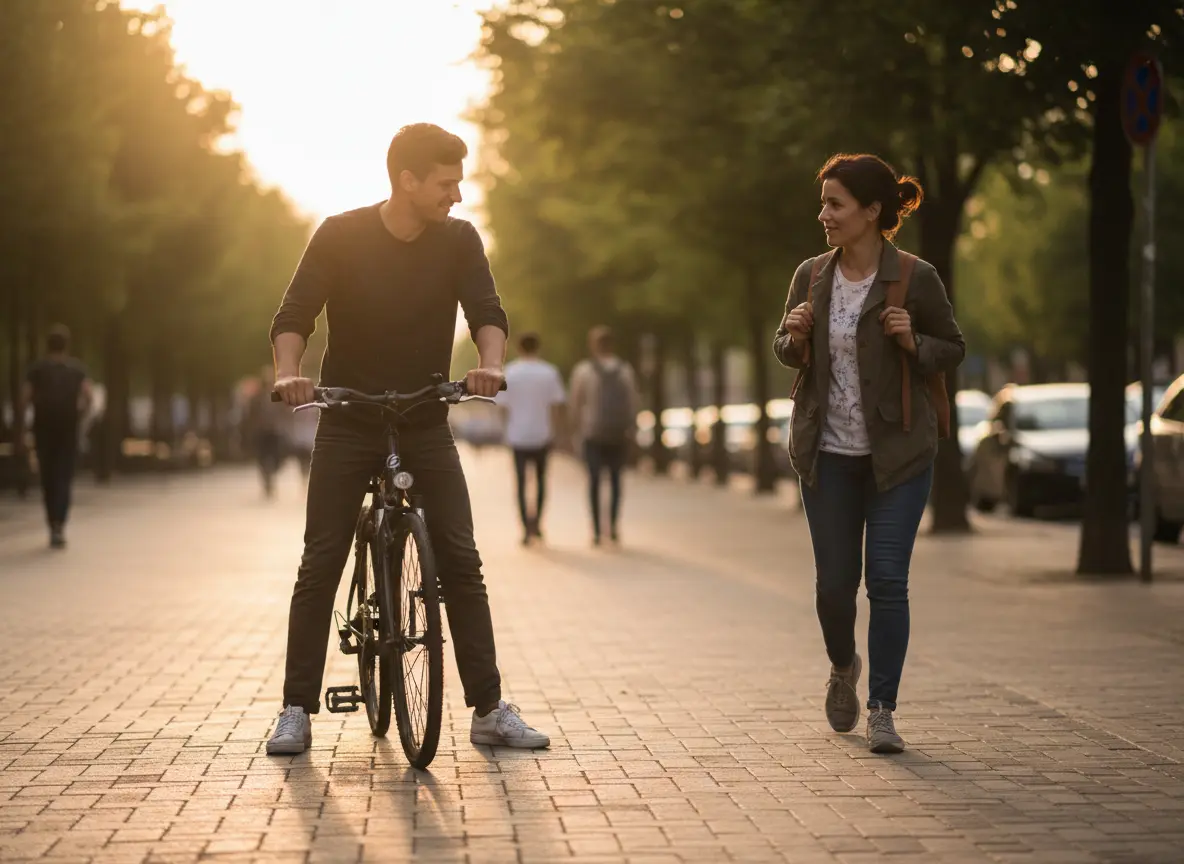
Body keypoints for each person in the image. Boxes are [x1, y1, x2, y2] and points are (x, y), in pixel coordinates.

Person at [265, 123, 550, 755]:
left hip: (423, 417)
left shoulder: (458, 240)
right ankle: (295, 709)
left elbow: (486, 311)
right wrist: (289, 375)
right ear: (408, 180)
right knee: (322, 559)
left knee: (460, 558)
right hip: (347, 418)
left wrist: (491, 363)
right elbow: (294, 316)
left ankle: (489, 707)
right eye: (447, 183)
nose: (457, 194)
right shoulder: (340, 234)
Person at [773, 153, 964, 754]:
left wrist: (914, 340)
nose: (824, 214)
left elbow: (952, 348)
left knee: (886, 580)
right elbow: (785, 349)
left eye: (836, 203)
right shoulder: (810, 275)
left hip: (899, 456)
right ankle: (841, 666)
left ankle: (882, 708)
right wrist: (793, 335)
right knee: (834, 587)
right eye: (824, 202)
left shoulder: (915, 277)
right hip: (827, 455)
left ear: (871, 211)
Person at [22, 325, 93, 550]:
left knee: (48, 476)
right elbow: (88, 396)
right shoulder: (77, 370)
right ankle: (59, 525)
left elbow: (24, 397)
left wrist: (25, 423)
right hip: (68, 428)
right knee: (64, 476)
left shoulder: (36, 370)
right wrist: (80, 414)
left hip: (43, 428)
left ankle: (51, 520)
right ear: (67, 346)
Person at [569, 326, 640, 546]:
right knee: (617, 481)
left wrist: (574, 430)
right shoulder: (625, 370)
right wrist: (633, 429)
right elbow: (633, 402)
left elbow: (576, 403)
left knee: (594, 481)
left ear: (593, 345)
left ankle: (598, 531)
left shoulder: (584, 370)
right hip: (618, 433)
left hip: (593, 433)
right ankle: (615, 527)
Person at [496, 333, 566, 545]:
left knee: (520, 484)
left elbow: (502, 407)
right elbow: (557, 405)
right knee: (542, 481)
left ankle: (525, 527)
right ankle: (537, 524)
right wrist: (557, 431)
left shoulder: (510, 372)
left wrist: (505, 429)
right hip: (542, 434)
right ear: (538, 347)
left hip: (517, 435)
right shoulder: (549, 372)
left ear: (519, 348)